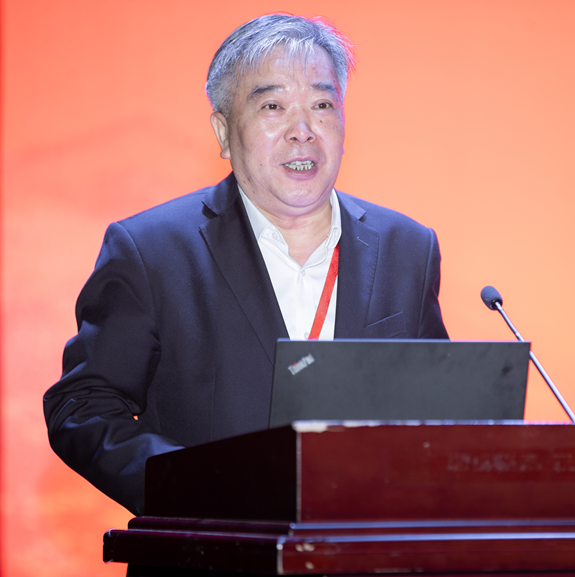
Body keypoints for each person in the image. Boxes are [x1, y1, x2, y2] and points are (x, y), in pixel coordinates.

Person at [43, 13, 448, 516]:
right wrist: (196, 488)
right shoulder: (151, 251)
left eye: (322, 105)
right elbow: (82, 407)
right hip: (214, 545)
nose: (303, 131)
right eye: (273, 106)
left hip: (364, 544)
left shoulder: (408, 248)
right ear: (223, 132)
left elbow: (441, 413)